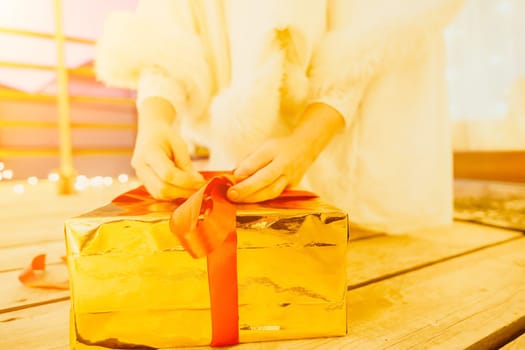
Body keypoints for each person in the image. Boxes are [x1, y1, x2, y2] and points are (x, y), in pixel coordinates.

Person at [96, 0, 464, 234]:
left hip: (353, 154)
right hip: (245, 172)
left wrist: (307, 141)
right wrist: (156, 120)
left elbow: (377, 32)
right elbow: (171, 20)